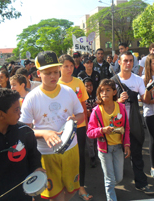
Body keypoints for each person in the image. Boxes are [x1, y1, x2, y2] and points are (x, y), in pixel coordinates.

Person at [20, 51, 84, 201]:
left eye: (55, 72)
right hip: (46, 153)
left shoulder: (68, 92)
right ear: (38, 73)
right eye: (48, 73)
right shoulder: (32, 98)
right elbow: (24, 130)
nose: (53, 76)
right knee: (54, 195)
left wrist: (74, 120)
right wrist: (43, 133)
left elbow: (81, 115)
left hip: (71, 149)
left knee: (71, 190)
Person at [112, 51, 154, 194]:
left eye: (131, 60)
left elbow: (146, 100)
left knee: (137, 153)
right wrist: (118, 101)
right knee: (116, 154)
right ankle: (112, 184)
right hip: (116, 124)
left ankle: (141, 183)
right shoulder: (112, 81)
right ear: (119, 62)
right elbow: (104, 104)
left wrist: (149, 89)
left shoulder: (137, 80)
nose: (128, 63)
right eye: (125, 60)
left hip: (134, 122)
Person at [87, 79, 131, 201]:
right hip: (104, 150)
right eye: (102, 90)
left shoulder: (121, 108)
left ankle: (110, 186)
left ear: (114, 92)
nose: (104, 93)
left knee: (119, 178)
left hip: (118, 148)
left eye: (108, 90)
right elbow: (90, 133)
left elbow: (126, 128)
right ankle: (111, 196)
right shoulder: (96, 111)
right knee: (110, 179)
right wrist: (101, 130)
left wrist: (127, 144)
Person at [58, 54, 92, 200]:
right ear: (59, 67)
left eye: (71, 66)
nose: (69, 69)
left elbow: (83, 106)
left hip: (80, 126)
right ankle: (66, 186)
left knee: (80, 156)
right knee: (64, 157)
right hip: (63, 128)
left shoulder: (78, 82)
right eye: (66, 66)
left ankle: (81, 186)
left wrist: (84, 123)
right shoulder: (56, 84)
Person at [82, 77, 97, 168]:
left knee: (97, 138)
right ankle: (92, 157)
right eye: (86, 86)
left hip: (96, 120)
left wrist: (92, 112)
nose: (89, 87)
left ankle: (97, 153)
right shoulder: (83, 96)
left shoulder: (96, 95)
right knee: (90, 140)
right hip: (87, 122)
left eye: (90, 85)